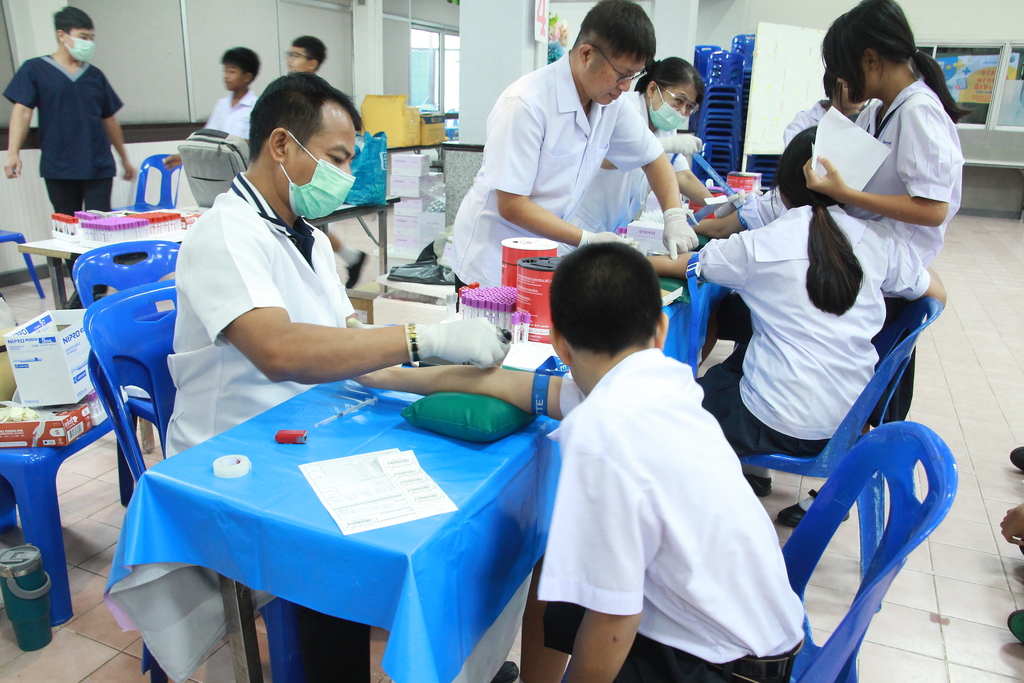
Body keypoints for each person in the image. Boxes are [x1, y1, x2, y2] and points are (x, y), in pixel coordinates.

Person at [166, 72, 511, 682]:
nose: (347, 176)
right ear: (281, 144)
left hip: (310, 421)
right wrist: (421, 338)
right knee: (350, 549)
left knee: (440, 503)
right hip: (235, 451)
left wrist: (445, 370)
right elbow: (279, 351)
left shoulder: (310, 240)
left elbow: (352, 350)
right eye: (337, 158)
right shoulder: (224, 235)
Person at [359, 242, 806, 683]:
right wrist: (390, 376)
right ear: (661, 329)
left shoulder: (601, 434)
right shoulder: (662, 383)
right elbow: (506, 385)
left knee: (581, 595)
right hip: (754, 635)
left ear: (560, 344)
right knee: (557, 572)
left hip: (720, 667)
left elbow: (614, 621)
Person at [650, 127, 946, 503]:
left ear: (783, 186)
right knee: (740, 361)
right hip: (846, 424)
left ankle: (702, 494)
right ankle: (753, 474)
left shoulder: (763, 244)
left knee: (677, 406)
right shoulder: (878, 241)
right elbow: (936, 295)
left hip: (772, 422)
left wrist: (619, 249)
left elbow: (685, 264)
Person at [452, 0, 699, 287]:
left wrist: (674, 216)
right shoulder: (526, 104)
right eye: (621, 74)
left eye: (634, 75)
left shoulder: (611, 105)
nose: (626, 87)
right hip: (493, 259)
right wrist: (587, 239)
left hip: (547, 252)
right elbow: (512, 204)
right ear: (586, 54)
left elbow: (654, 158)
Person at [3, 6, 134, 214]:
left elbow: (109, 119)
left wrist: (124, 159)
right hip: (59, 165)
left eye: (91, 38)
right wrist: (13, 154)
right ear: (62, 35)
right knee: (67, 225)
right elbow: (22, 112)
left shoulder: (95, 76)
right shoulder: (34, 69)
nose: (88, 43)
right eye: (83, 37)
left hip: (97, 163)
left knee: (100, 224)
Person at [571, 57, 713, 235]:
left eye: (689, 107)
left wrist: (718, 203)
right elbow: (602, 159)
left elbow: (682, 176)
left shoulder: (666, 128)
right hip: (584, 220)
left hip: (617, 223)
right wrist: (664, 146)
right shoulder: (624, 109)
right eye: (679, 101)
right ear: (652, 89)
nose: (682, 112)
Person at [163, 47, 260, 169]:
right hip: (219, 171)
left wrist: (233, 146)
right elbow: (207, 140)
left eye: (232, 72)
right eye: (225, 71)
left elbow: (259, 144)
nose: (226, 76)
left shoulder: (256, 107)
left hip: (246, 171)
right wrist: (185, 157)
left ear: (247, 77)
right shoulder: (222, 105)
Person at [782, 70, 867, 147]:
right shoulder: (805, 120)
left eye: (862, 84)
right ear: (831, 85)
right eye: (849, 85)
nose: (858, 92)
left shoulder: (871, 120)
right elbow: (794, 153)